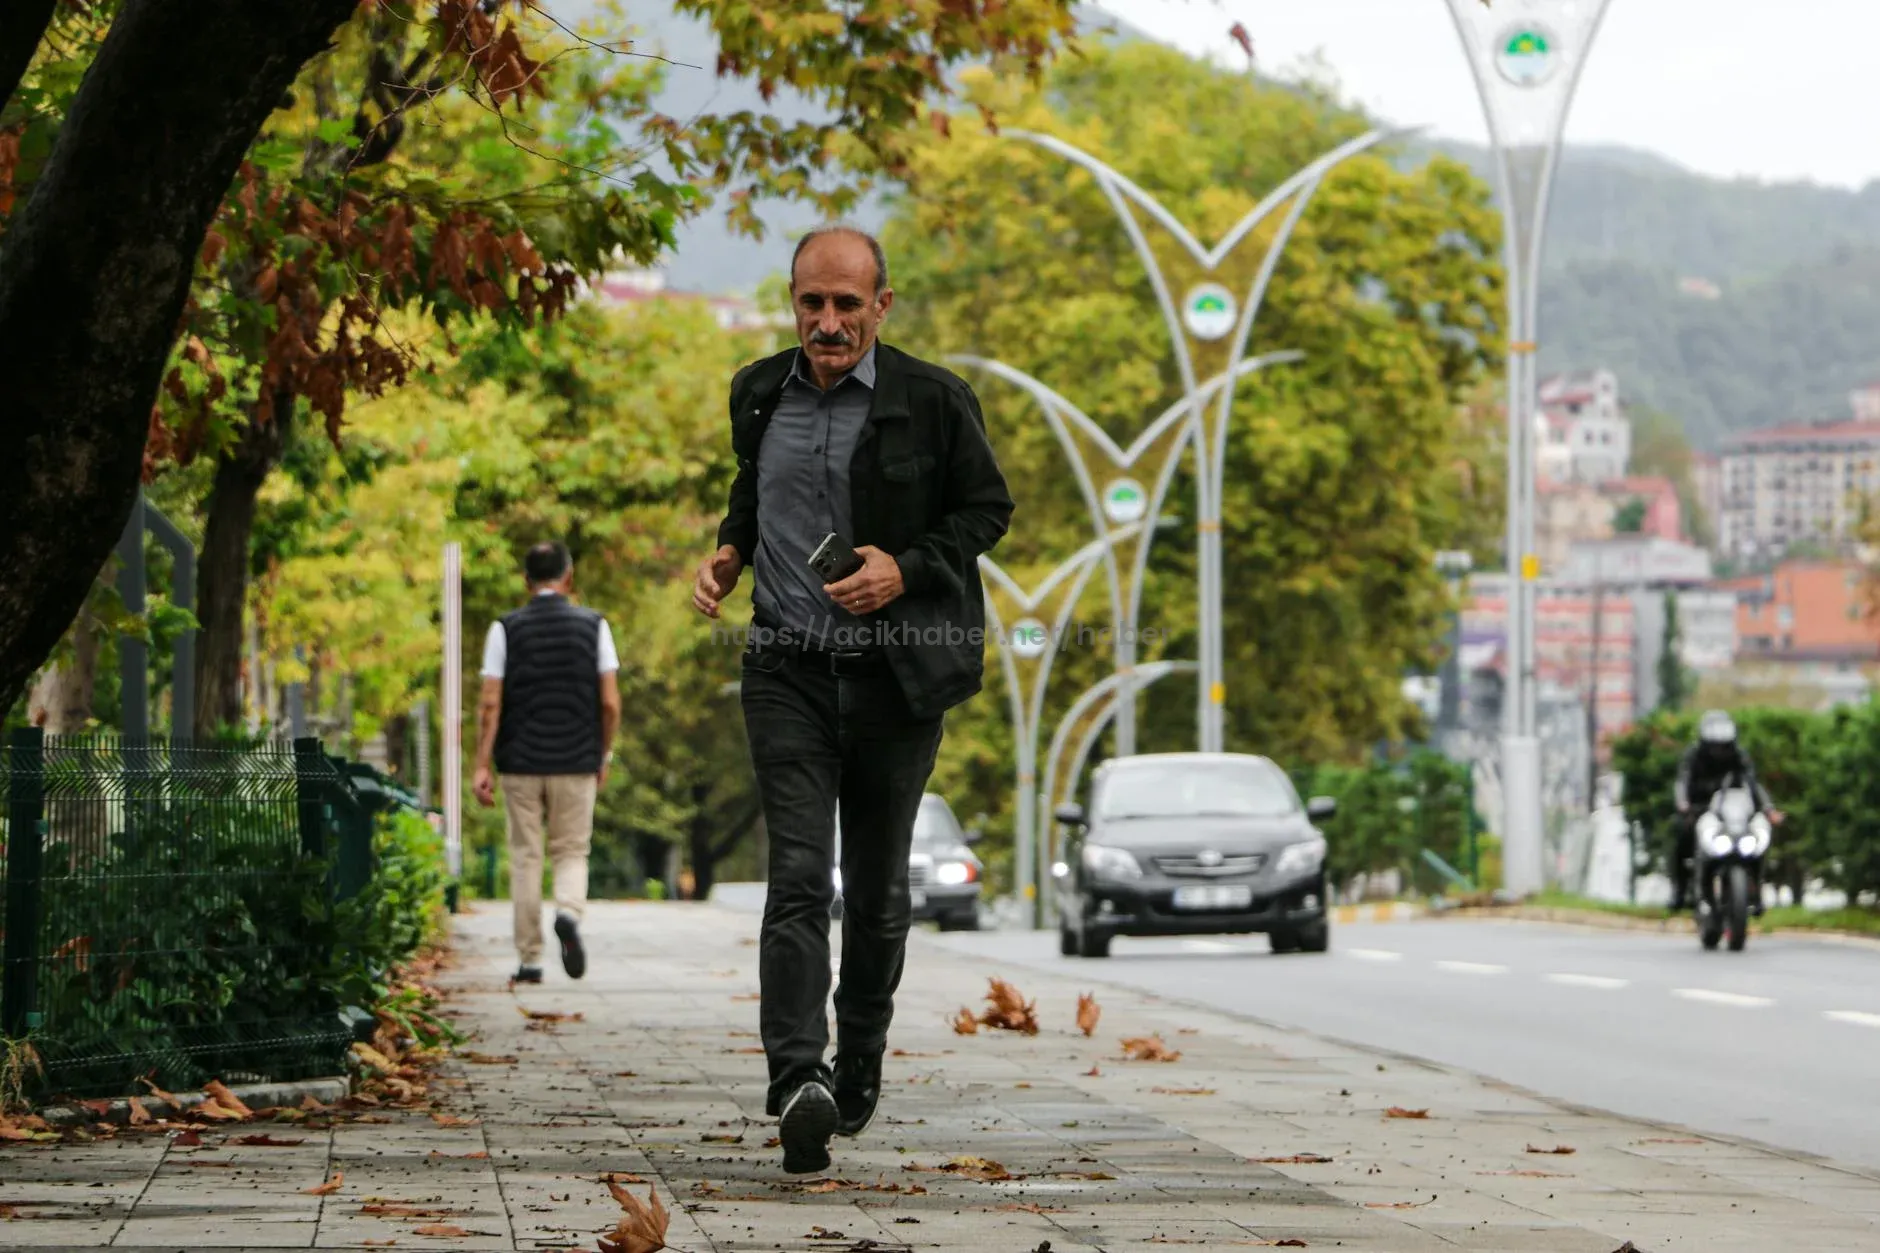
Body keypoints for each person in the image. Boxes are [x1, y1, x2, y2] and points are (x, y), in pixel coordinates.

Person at [691, 224, 1013, 1175]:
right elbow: (755, 492)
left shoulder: (935, 399)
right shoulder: (757, 393)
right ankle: (798, 1080)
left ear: (882, 305)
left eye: (845, 304)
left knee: (874, 893)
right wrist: (729, 551)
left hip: (898, 677)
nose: (826, 323)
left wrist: (903, 568)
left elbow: (985, 510)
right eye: (810, 303)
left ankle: (858, 1052)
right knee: (798, 877)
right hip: (785, 667)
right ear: (792, 301)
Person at [473, 541, 622, 984]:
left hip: (519, 762)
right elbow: (610, 702)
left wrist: (482, 763)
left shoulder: (505, 629)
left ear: (526, 580)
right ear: (568, 576)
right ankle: (569, 914)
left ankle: (530, 959)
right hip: (577, 759)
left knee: (526, 856)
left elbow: (489, 703)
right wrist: (603, 752)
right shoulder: (595, 626)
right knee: (571, 850)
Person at [1672, 710, 1775, 912]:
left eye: (1724, 746)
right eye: (1714, 747)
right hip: (1700, 809)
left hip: (1733, 810)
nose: (1719, 751)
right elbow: (1682, 781)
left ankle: (1756, 891)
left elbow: (1753, 783)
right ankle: (1680, 891)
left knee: (1755, 844)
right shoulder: (1693, 756)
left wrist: (1767, 808)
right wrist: (1683, 803)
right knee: (1682, 838)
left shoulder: (1739, 755)